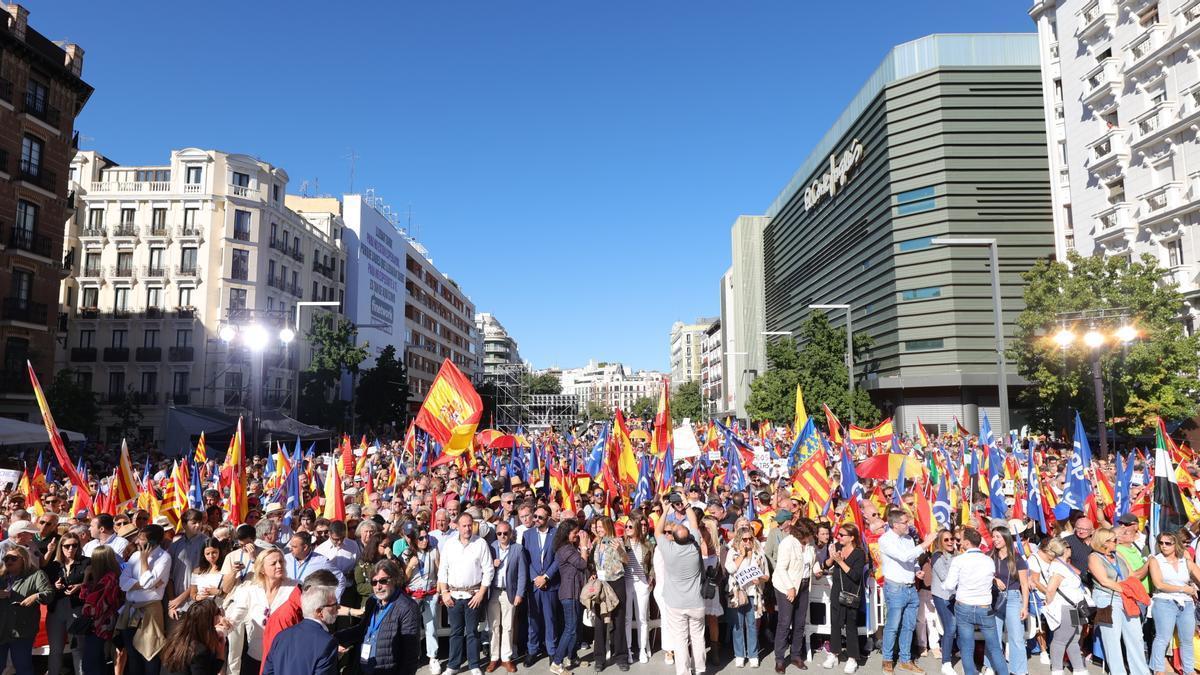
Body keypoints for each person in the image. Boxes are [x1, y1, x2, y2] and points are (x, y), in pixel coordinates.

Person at [336, 559, 422, 675]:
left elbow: (410, 654)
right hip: (364, 668)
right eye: (374, 582)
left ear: (394, 579)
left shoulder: (407, 607)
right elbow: (362, 630)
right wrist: (332, 638)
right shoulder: (372, 601)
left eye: (383, 581)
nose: (378, 587)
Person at [877, 510, 937, 674]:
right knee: (893, 626)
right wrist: (925, 544)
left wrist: (917, 569)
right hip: (895, 588)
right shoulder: (885, 540)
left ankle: (905, 659)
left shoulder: (909, 539)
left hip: (910, 587)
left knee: (909, 626)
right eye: (905, 522)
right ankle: (887, 660)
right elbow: (903, 556)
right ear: (895, 524)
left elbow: (911, 560)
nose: (908, 524)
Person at [224, 548, 299, 675]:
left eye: (281, 561)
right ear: (262, 569)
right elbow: (235, 618)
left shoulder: (295, 588)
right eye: (273, 563)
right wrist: (226, 625)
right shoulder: (251, 590)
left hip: (284, 657)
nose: (279, 565)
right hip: (256, 656)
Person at [654, 495, 706, 675]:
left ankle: (683, 672)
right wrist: (685, 502)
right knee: (698, 638)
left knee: (680, 640)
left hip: (675, 604)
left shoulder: (668, 550)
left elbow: (657, 532)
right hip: (695, 602)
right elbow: (694, 523)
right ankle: (699, 670)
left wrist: (665, 509)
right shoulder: (694, 547)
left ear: (673, 538)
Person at [943, 528, 1007, 675]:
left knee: (966, 648)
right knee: (995, 648)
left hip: (964, 606)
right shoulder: (989, 560)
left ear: (966, 543)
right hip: (984, 607)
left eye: (961, 540)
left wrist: (942, 585)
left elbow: (949, 586)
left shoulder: (959, 560)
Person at [437, 512, 494, 675]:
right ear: (458, 526)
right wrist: (445, 593)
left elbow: (488, 570)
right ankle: (453, 666)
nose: (467, 528)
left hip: (473, 595)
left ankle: (474, 665)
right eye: (464, 525)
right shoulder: (449, 544)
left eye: (470, 525)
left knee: (472, 632)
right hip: (453, 596)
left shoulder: (480, 543)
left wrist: (481, 594)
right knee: (455, 632)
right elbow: (443, 570)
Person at [1087, 526, 1149, 675]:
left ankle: (1141, 672)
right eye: (1114, 540)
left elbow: (1132, 574)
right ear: (1104, 542)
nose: (1117, 541)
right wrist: (1128, 589)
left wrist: (1148, 564)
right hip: (1106, 600)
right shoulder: (1094, 557)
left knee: (1136, 637)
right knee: (1112, 640)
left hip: (1126, 598)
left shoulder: (1118, 555)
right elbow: (1104, 581)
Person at [117, 524, 171, 675]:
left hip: (150, 610)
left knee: (149, 653)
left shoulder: (164, 558)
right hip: (131, 608)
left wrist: (144, 561)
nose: (137, 541)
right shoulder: (134, 556)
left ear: (152, 542)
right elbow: (122, 582)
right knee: (132, 653)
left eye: (141, 539)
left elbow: (148, 583)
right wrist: (144, 585)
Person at [1147, 529, 1200, 675]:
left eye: (1168, 543)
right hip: (1164, 601)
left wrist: (1190, 590)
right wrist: (1184, 588)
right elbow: (1159, 584)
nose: (1163, 546)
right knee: (1162, 638)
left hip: (1187, 604)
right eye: (1161, 543)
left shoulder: (1185, 560)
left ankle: (1189, 671)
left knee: (1187, 640)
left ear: (1175, 544)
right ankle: (1158, 670)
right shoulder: (1155, 560)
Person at [260, 582, 340, 675]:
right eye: (334, 604)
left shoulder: (281, 636)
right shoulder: (327, 643)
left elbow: (267, 672)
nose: (338, 607)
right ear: (319, 612)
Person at [1037, 538, 1087, 675]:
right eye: (1069, 547)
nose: (1071, 549)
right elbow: (1051, 589)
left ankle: (1078, 668)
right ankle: (1057, 669)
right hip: (1064, 607)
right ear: (1064, 550)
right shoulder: (1058, 567)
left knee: (1073, 638)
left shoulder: (1064, 565)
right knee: (1061, 639)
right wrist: (1050, 604)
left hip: (1074, 607)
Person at [0, 544, 51, 675]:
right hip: (2, 629)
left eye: (13, 558)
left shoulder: (36, 575)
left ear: (23, 559)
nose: (9, 561)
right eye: (6, 559)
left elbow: (49, 594)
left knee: (23, 667)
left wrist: (36, 596)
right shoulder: (1, 576)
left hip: (23, 630)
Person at [44, 531, 90, 675]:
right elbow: (43, 587)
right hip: (56, 609)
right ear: (61, 547)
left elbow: (96, 583)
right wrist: (54, 587)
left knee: (78, 648)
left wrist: (81, 586)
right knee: (55, 649)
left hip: (77, 608)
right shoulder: (53, 566)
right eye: (67, 546)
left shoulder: (87, 562)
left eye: (75, 545)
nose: (71, 549)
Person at [823, 523, 866, 674]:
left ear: (852, 537)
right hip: (836, 591)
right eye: (838, 534)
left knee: (850, 625)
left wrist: (840, 561)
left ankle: (852, 657)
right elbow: (825, 566)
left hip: (851, 593)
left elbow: (855, 575)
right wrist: (831, 558)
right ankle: (834, 654)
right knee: (835, 624)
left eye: (842, 535)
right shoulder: (836, 547)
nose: (838, 537)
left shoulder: (859, 553)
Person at [772, 519, 815, 671]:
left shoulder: (809, 544)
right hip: (786, 586)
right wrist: (790, 588)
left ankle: (796, 655)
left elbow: (811, 560)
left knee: (800, 622)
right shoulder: (788, 543)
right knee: (784, 622)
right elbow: (781, 568)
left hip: (803, 585)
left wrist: (816, 569)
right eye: (809, 534)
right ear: (802, 532)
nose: (811, 537)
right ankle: (779, 659)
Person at [725, 524, 768, 669]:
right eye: (744, 539)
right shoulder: (733, 552)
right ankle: (739, 655)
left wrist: (760, 579)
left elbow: (766, 575)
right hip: (737, 593)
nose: (748, 542)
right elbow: (730, 569)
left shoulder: (759, 553)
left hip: (753, 594)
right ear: (739, 540)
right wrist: (742, 555)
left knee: (752, 625)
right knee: (738, 626)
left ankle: (753, 655)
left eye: (750, 538)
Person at [987, 527, 1028, 675]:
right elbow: (982, 575)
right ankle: (992, 666)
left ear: (1006, 538)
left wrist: (1024, 606)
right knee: (993, 636)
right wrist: (994, 579)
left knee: (1016, 637)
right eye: (993, 537)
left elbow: (1024, 584)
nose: (995, 539)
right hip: (994, 598)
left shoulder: (1017, 559)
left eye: (998, 537)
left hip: (1013, 598)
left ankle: (1019, 671)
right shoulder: (989, 556)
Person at [522, 504, 559, 667]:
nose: (535, 520)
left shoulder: (556, 534)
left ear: (548, 519)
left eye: (540, 517)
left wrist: (546, 577)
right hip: (534, 584)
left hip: (549, 584)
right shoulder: (527, 534)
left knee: (550, 618)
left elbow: (558, 558)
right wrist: (535, 578)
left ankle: (552, 651)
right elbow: (525, 559)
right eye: (534, 516)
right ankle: (532, 650)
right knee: (533, 619)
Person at [488, 520, 527, 673]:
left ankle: (506, 658)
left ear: (510, 534)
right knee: (494, 626)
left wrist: (519, 593)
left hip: (509, 592)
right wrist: (492, 564)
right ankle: (493, 658)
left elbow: (523, 574)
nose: (502, 536)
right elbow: (482, 568)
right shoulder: (491, 548)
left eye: (505, 533)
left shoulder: (518, 549)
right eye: (499, 533)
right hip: (493, 592)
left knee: (508, 626)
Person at [591, 516, 629, 672]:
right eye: (597, 527)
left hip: (616, 583)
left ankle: (621, 657)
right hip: (601, 584)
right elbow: (596, 563)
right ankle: (599, 659)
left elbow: (626, 560)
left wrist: (619, 550)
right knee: (600, 622)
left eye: (601, 527)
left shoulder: (617, 540)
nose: (599, 530)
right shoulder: (597, 542)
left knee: (618, 621)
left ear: (607, 526)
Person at [79, 545, 124, 675]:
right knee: (98, 660)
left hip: (99, 625)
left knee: (90, 663)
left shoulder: (107, 579)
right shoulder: (111, 576)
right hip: (104, 623)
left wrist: (86, 576)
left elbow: (90, 606)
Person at [403, 526, 441, 674]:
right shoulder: (406, 554)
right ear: (413, 539)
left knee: (431, 626)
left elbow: (440, 571)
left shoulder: (433, 551)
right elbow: (403, 580)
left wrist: (438, 590)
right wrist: (410, 566)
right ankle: (413, 656)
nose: (425, 540)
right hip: (413, 595)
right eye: (421, 538)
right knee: (413, 628)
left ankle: (433, 657)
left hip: (430, 593)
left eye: (426, 537)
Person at [551, 519, 587, 675]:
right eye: (575, 533)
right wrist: (584, 545)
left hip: (575, 592)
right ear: (567, 534)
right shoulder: (566, 549)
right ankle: (556, 663)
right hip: (569, 593)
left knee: (575, 627)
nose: (577, 535)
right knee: (570, 629)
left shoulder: (569, 547)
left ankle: (571, 657)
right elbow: (582, 564)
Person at [159, 598, 229, 675]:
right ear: (207, 624)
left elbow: (209, 670)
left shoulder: (176, 638)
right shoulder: (199, 651)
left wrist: (220, 650)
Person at [623, 514, 654, 665]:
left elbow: (654, 563)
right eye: (626, 527)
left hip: (642, 583)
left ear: (636, 528)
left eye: (630, 526)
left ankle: (642, 649)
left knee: (642, 618)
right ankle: (629, 649)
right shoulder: (622, 544)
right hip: (627, 583)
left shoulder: (647, 544)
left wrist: (651, 577)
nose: (627, 529)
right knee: (628, 618)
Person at [924, 529, 956, 675]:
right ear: (940, 542)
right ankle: (946, 662)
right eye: (946, 540)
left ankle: (956, 650)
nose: (950, 542)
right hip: (941, 596)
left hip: (955, 595)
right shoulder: (937, 556)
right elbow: (945, 576)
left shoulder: (956, 554)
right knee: (950, 627)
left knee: (957, 626)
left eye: (952, 539)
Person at [166, 510, 209, 620]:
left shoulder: (207, 543)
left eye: (200, 522)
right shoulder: (175, 546)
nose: (198, 525)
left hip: (198, 602)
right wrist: (172, 602)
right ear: (184, 524)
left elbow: (204, 575)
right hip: (176, 606)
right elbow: (169, 576)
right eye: (194, 522)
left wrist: (180, 599)